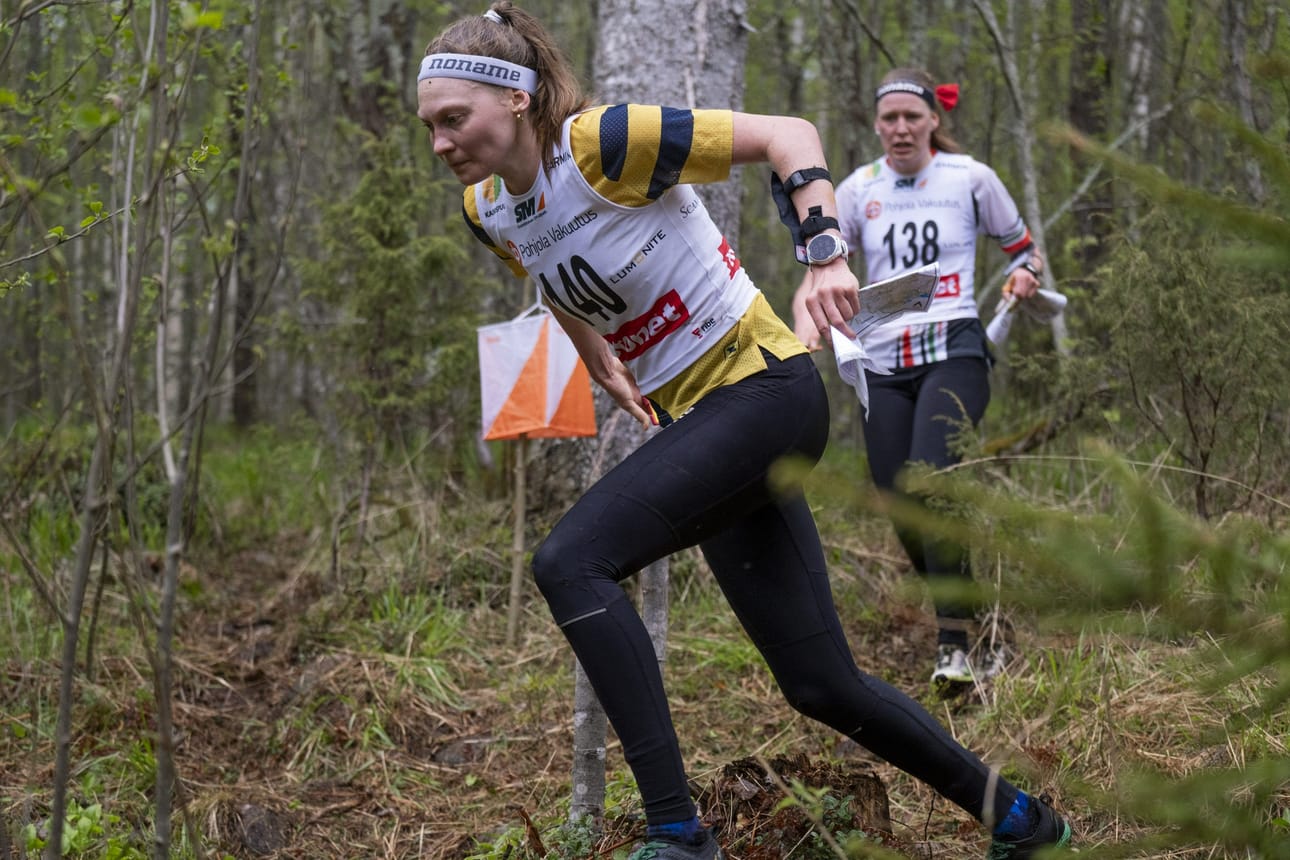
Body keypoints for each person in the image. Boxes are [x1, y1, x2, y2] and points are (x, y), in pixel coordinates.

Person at [417, 8, 1072, 858]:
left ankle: (678, 835)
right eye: (429, 126)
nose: (439, 143)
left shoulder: (609, 142)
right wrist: (598, 359)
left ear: (520, 100)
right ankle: (1025, 822)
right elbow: (550, 274)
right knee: (820, 683)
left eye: (453, 119)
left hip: (768, 390)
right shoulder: (487, 209)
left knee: (569, 562)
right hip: (707, 424)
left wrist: (826, 252)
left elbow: (788, 135)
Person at [793, 67, 1048, 692]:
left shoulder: (971, 179)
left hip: (956, 347)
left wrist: (1026, 275)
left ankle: (954, 642)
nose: (901, 128)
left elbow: (1026, 249)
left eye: (913, 116)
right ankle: (971, 616)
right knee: (896, 493)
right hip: (882, 359)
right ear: (876, 126)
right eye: (890, 119)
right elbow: (818, 273)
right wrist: (805, 332)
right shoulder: (854, 190)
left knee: (933, 477)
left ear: (935, 119)